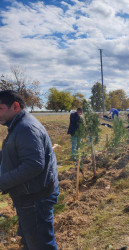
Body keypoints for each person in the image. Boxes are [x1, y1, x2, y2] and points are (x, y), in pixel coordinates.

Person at [0, 90, 59, 249]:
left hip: (35, 198)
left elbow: (33, 165)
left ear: (15, 106)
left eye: (0, 108)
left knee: (41, 244)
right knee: (30, 241)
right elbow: (15, 151)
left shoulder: (26, 128)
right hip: (31, 195)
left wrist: (2, 181)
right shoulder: (18, 125)